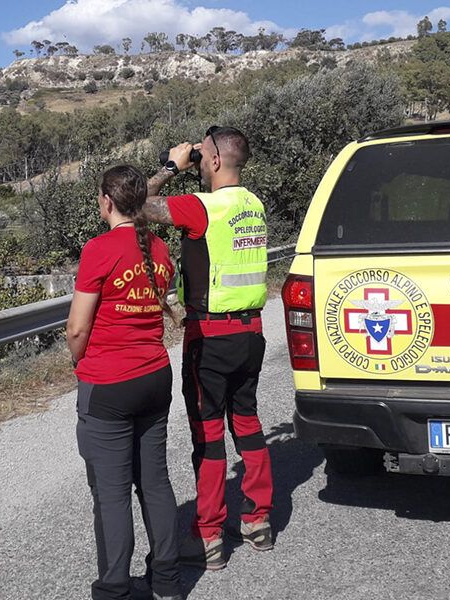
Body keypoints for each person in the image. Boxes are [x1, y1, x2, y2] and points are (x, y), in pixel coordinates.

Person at [143, 126, 274, 571]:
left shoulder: (204, 207)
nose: (197, 165)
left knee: (209, 434)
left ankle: (209, 536)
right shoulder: (253, 205)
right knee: (249, 424)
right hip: (251, 333)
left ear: (215, 161)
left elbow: (130, 205)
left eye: (201, 158)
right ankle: (258, 520)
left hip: (210, 339)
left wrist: (170, 167)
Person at [66, 165, 183, 600]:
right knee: (154, 481)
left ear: (106, 202)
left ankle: (115, 588)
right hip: (155, 375)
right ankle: (168, 581)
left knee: (112, 493)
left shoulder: (99, 249)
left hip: (109, 383)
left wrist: (80, 362)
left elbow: (77, 329)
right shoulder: (160, 248)